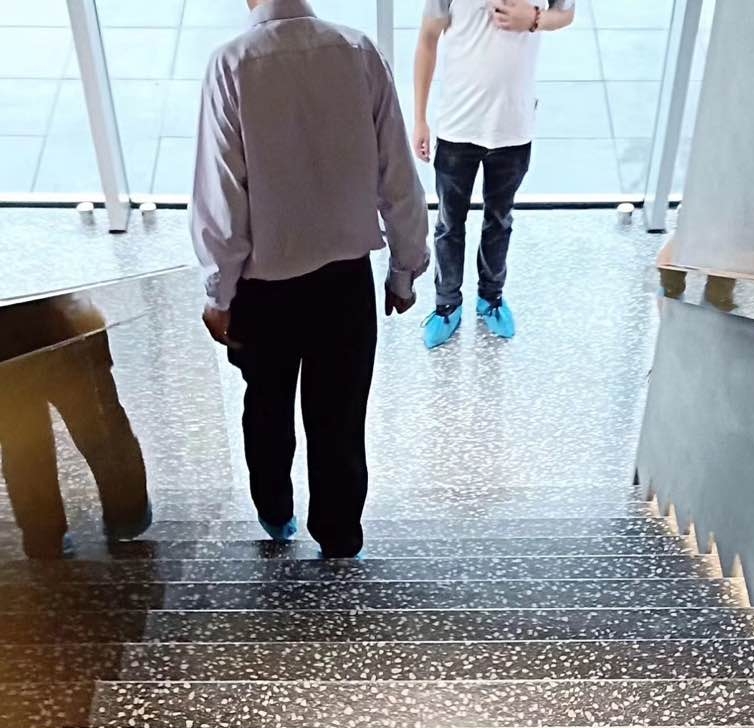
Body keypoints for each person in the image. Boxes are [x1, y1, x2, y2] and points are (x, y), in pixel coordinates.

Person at [191, 0, 429, 562]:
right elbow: (397, 172)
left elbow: (221, 194)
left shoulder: (231, 63)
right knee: (340, 419)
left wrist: (218, 293)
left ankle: (275, 515)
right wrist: (404, 269)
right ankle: (340, 538)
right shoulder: (358, 50)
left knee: (266, 409)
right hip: (345, 283)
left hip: (262, 288)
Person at [413, 0, 574, 348]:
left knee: (499, 220)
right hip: (457, 126)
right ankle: (446, 304)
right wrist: (420, 119)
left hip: (513, 128)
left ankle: (491, 297)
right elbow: (427, 38)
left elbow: (566, 13)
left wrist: (534, 19)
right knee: (449, 223)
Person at [0, 294, 151, 560]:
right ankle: (127, 512)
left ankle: (44, 536)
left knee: (22, 441)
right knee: (98, 422)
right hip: (64, 323)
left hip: (6, 338)